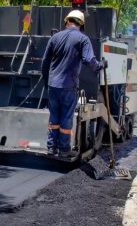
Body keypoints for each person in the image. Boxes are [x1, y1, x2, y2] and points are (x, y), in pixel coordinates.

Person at [40, 9, 104, 158]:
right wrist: (101, 65)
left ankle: (51, 148)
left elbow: (45, 62)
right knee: (66, 118)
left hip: (53, 85)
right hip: (68, 85)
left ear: (67, 21)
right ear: (81, 24)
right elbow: (89, 61)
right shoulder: (82, 39)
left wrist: (46, 81)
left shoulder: (55, 37)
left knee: (54, 116)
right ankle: (63, 149)